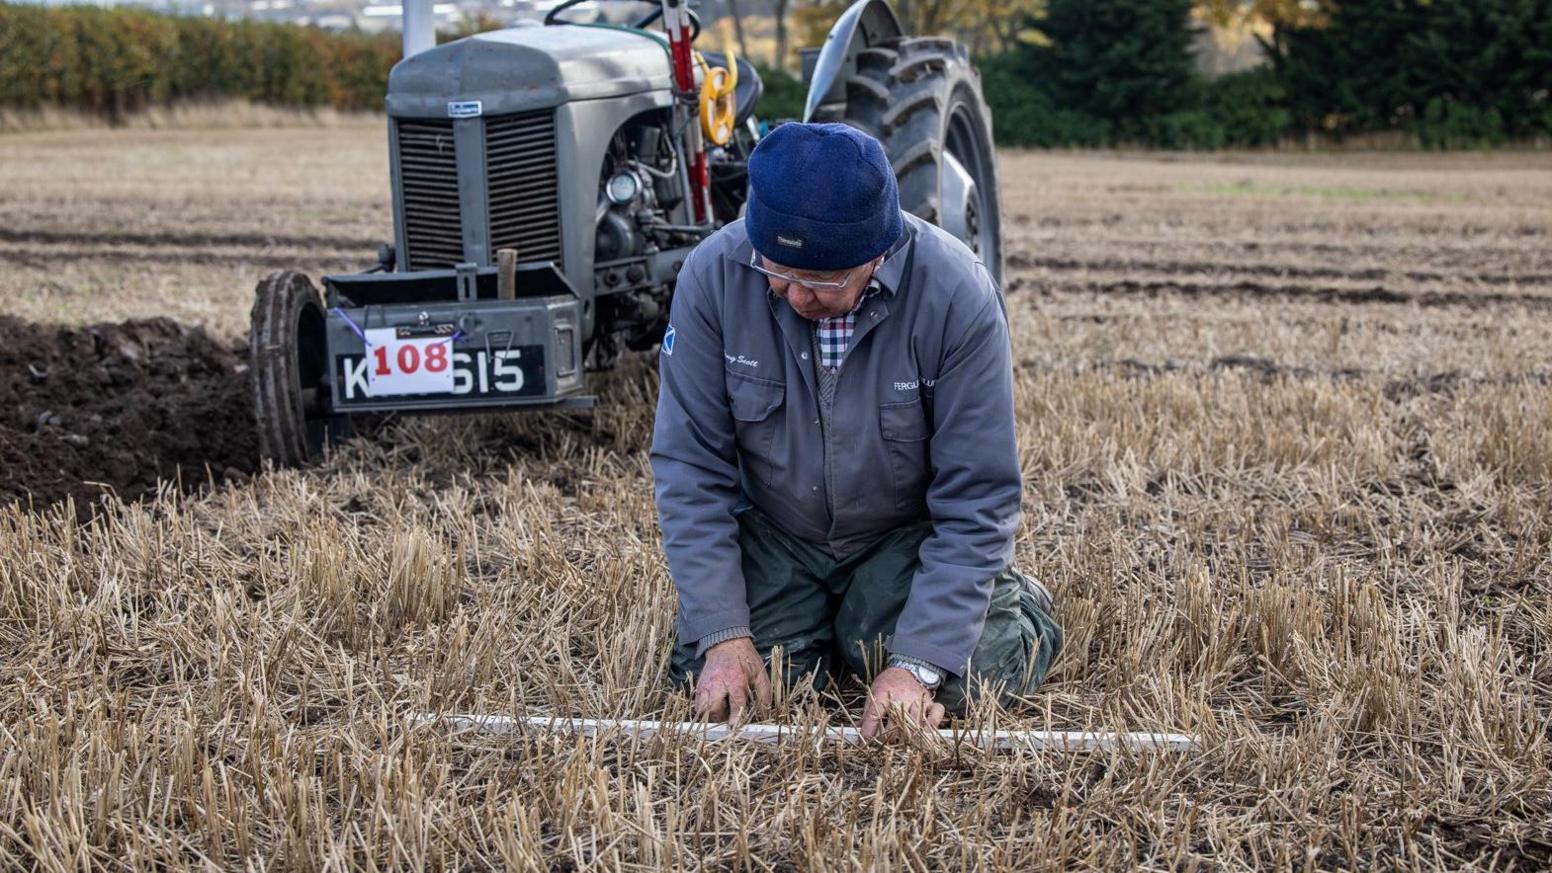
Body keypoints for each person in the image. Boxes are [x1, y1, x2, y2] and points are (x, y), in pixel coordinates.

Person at [650, 122, 1062, 741]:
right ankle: (827, 627)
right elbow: (690, 468)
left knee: (969, 675)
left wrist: (916, 666)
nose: (793, 297)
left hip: (899, 539)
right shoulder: (712, 275)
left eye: (819, 283)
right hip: (777, 534)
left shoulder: (957, 294)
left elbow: (978, 497)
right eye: (776, 272)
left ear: (877, 251)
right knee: (723, 680)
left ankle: (1018, 606)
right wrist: (723, 633)